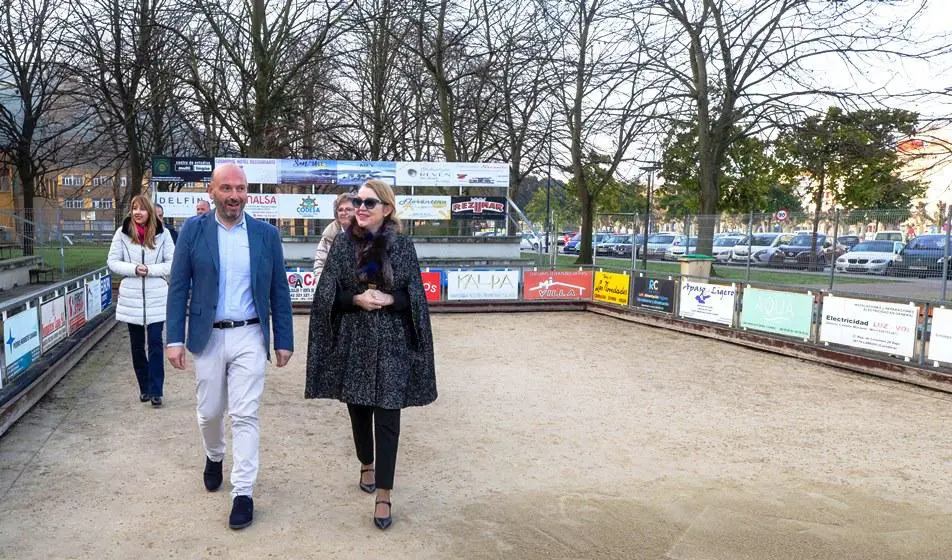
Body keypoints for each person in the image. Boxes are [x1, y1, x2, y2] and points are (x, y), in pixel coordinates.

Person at [166, 163, 294, 530]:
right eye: (226, 189)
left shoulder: (265, 234)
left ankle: (243, 492)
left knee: (245, 415)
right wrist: (174, 338)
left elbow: (278, 291)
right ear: (212, 191)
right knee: (209, 412)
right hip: (208, 335)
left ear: (247, 193)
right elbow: (178, 286)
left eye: (240, 189)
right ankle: (214, 454)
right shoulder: (193, 230)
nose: (234, 195)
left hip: (250, 335)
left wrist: (283, 339)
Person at [305, 179, 437, 531]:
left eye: (368, 203)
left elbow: (416, 300)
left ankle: (384, 492)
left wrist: (392, 300)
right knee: (359, 409)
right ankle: (366, 461)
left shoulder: (403, 246)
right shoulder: (343, 244)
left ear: (387, 209)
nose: (360, 208)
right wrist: (356, 299)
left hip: (392, 342)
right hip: (355, 341)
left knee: (388, 415)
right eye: (357, 201)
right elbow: (327, 296)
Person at [107, 194, 175, 407]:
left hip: (156, 296)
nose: (138, 212)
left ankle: (156, 390)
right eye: (134, 208)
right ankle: (144, 387)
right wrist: (134, 269)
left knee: (155, 342)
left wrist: (151, 270)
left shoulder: (163, 235)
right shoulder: (122, 233)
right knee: (137, 345)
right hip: (131, 297)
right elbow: (113, 262)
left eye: (142, 209)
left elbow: (172, 263)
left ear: (150, 212)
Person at [313, 192, 355, 280]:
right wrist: (328, 289)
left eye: (348, 209)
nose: (344, 213)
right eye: (340, 210)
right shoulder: (328, 236)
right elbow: (319, 265)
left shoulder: (367, 234)